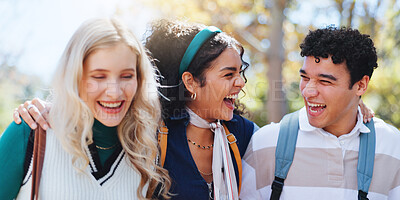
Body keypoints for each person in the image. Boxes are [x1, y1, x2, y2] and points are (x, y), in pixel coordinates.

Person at [12, 20, 374, 200]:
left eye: (241, 73)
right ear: (190, 81)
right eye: (229, 74)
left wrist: (357, 106)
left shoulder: (244, 135)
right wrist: (46, 109)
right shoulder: (148, 131)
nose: (241, 84)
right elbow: (101, 114)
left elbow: (313, 123)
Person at [0, 18, 170, 199]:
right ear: (75, 77)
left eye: (126, 76)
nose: (114, 92)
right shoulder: (31, 132)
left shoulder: (147, 150)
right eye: (99, 77)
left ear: (140, 79)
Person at [240, 27, 400, 200]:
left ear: (360, 85)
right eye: (305, 78)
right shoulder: (267, 143)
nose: (307, 92)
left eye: (324, 81)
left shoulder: (391, 145)